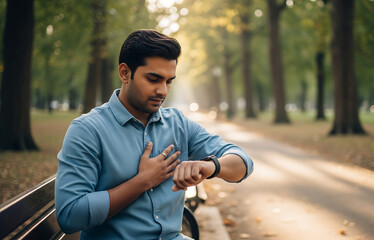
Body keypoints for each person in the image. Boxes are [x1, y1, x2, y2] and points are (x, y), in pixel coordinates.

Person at [55, 29, 254, 240]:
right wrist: (142, 181)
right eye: (154, 79)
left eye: (169, 81)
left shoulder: (178, 124)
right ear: (124, 73)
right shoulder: (88, 130)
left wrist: (210, 166)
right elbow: (70, 216)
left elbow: (243, 162)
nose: (163, 91)